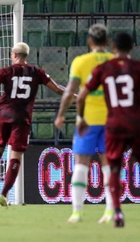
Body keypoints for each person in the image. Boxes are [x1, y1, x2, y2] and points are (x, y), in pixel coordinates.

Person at [0, 42, 69, 207]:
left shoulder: (7, 71)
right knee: (15, 158)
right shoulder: (37, 72)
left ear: (14, 54)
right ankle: (3, 195)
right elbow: (58, 89)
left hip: (3, 114)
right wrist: (75, 94)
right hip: (22, 119)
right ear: (26, 56)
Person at [76, 31, 140, 228]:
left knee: (113, 169)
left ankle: (118, 213)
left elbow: (81, 96)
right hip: (136, 123)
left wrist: (81, 117)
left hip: (113, 123)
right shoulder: (137, 68)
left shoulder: (104, 68)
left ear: (113, 47)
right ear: (132, 47)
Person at [54, 23, 115, 224]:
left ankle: (77, 213)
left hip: (86, 120)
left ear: (89, 41)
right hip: (111, 120)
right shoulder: (116, 62)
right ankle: (109, 211)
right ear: (107, 41)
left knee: (81, 164)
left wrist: (61, 115)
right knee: (109, 165)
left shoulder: (81, 61)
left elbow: (70, 90)